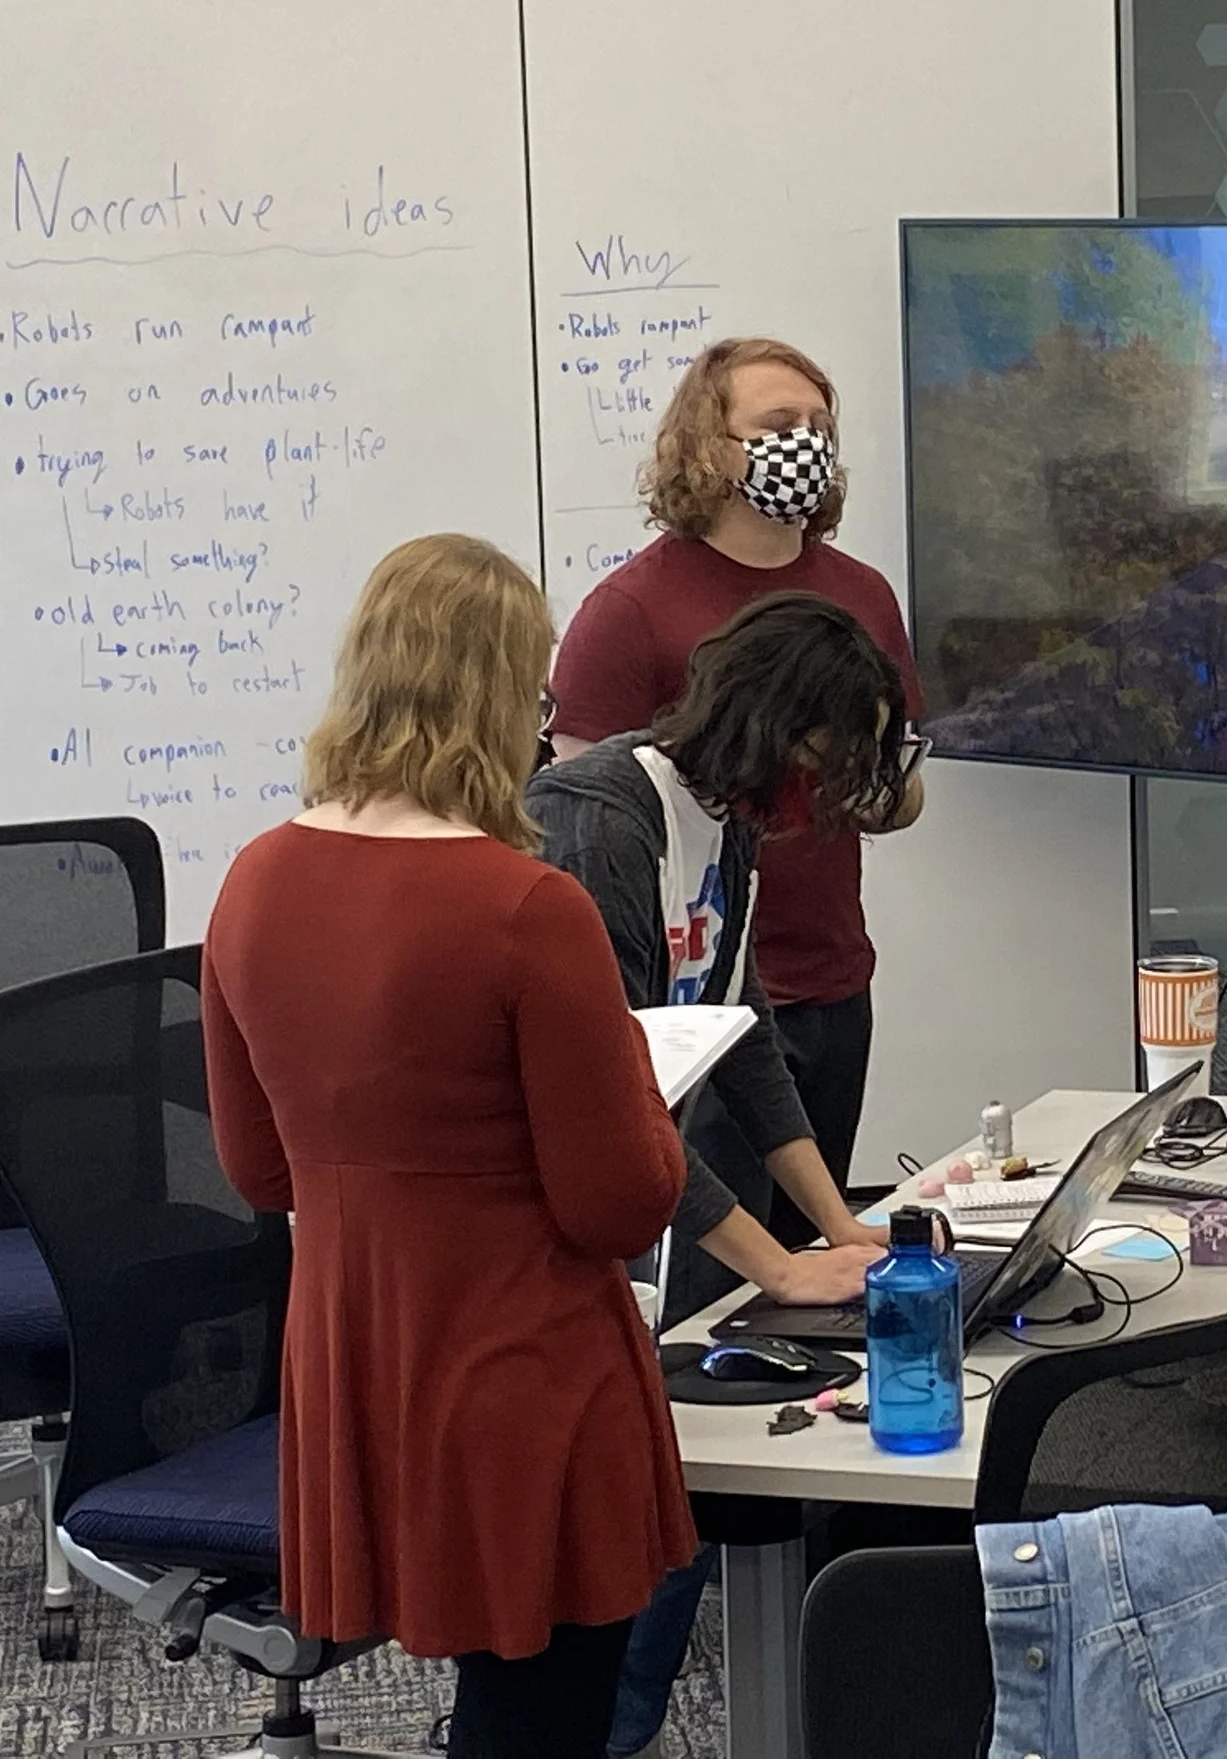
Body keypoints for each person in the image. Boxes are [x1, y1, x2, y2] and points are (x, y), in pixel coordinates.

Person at [200, 535, 697, 1759]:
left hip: (357, 1354)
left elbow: (261, 1173)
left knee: (499, 1700)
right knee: (540, 1712)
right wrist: (642, 1081)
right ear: (497, 703)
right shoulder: (529, 908)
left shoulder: (253, 881)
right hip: (520, 1371)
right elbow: (619, 1206)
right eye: (537, 695)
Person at [527, 588, 904, 1759]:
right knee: (646, 1488)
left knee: (691, 1471)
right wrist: (778, 1268)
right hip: (566, 1213)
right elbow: (614, 1096)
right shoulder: (602, 824)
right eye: (836, 751)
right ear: (782, 731)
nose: (839, 787)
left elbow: (739, 1037)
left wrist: (845, 1229)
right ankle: (597, 1730)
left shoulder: (728, 821)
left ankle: (619, 1720)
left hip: (643, 1193)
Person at [550, 337, 926, 1244]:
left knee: (815, 1253)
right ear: (709, 445)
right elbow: (577, 823)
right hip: (687, 997)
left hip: (830, 974)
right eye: (778, 424)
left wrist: (853, 778)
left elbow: (903, 786)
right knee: (710, 1277)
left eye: (821, 427)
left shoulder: (862, 595)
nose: (806, 442)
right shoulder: (630, 610)